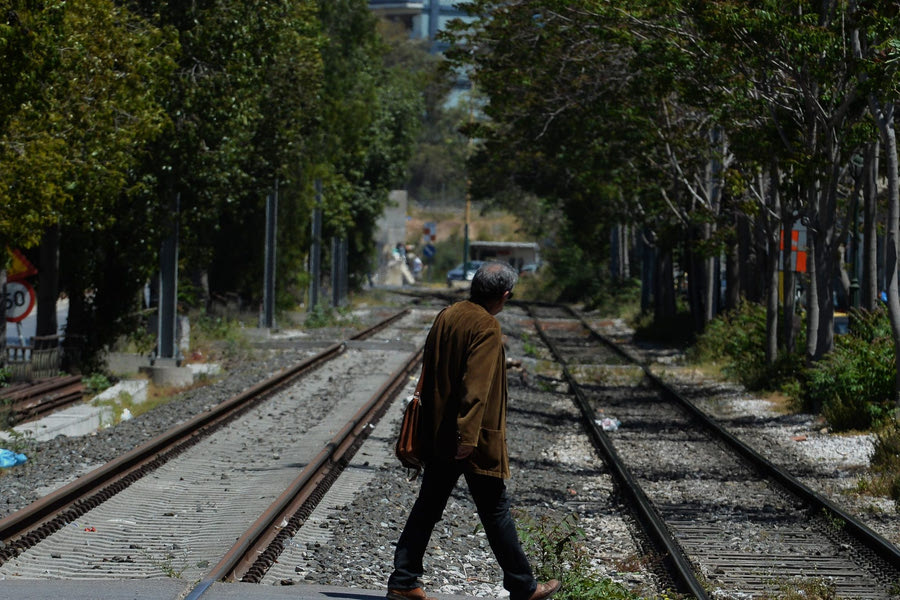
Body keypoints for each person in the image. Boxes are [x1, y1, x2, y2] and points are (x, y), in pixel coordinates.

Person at [386, 262, 561, 600]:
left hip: (438, 431)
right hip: (470, 439)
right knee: (494, 509)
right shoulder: (487, 327)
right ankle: (523, 587)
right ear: (505, 295)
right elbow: (476, 387)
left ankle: (404, 580)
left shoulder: (447, 315)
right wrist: (467, 438)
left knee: (429, 505)